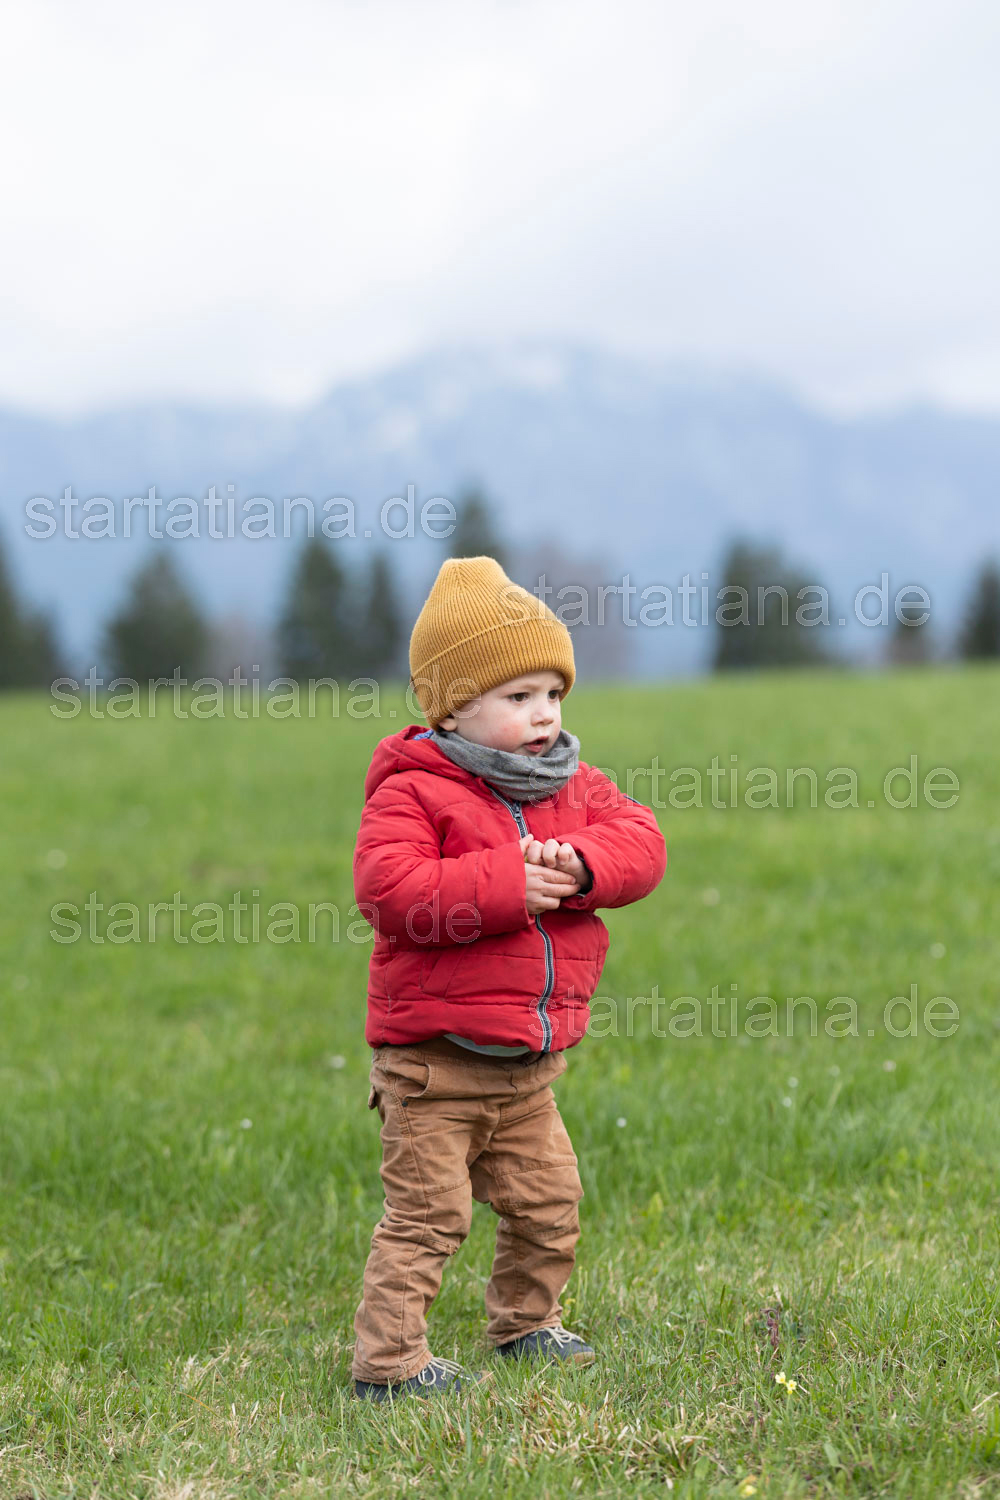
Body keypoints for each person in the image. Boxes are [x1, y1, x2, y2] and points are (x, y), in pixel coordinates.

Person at [350, 555, 667, 1401]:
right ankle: (389, 1365)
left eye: (553, 693)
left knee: (549, 1203)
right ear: (453, 707)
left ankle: (526, 1325)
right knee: (428, 1218)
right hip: (434, 1066)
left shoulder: (572, 784)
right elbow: (390, 891)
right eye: (518, 696)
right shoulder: (414, 791)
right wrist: (503, 886)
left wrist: (585, 865)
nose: (544, 714)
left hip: (527, 1067)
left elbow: (643, 842)